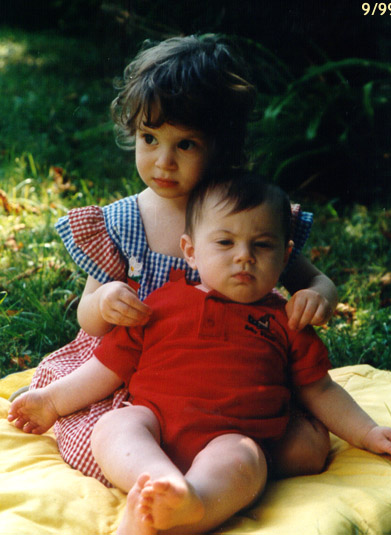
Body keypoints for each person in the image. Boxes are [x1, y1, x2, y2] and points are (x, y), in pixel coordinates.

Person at [9, 173, 391, 535]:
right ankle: (157, 481)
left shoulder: (286, 321)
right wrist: (51, 401)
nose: (244, 256)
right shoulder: (158, 304)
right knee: (114, 426)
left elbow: (321, 390)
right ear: (191, 252)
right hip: (156, 423)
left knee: (246, 463)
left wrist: (367, 432)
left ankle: (186, 503)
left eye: (262, 245)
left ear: (285, 258)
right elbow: (106, 368)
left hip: (233, 436)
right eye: (225, 242)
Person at [28, 34, 338, 486]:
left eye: (186, 144)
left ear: (222, 146)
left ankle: (217, 470)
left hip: (231, 379)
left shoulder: (246, 218)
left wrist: (318, 297)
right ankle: (164, 476)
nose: (163, 161)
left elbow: (314, 280)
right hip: (135, 374)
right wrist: (107, 300)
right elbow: (89, 318)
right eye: (149, 138)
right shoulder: (124, 222)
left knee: (306, 447)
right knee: (106, 435)